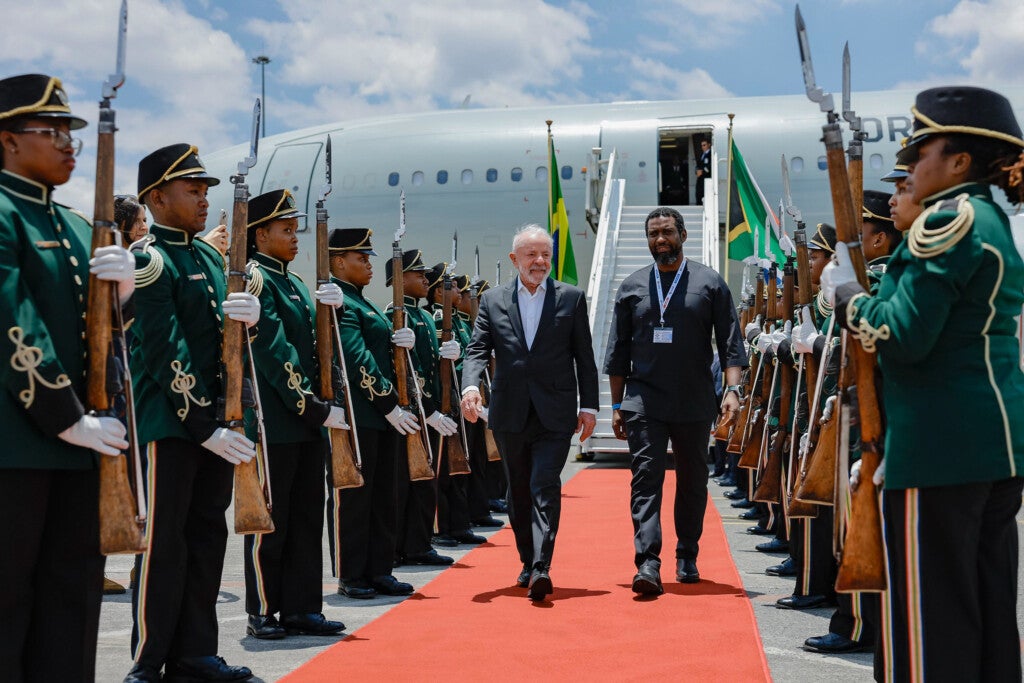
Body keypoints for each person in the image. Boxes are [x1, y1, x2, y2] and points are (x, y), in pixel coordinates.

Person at [830, 86, 1024, 681]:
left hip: (938, 450)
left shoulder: (948, 220)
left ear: (960, 161)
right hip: (990, 446)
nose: (909, 166)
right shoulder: (986, 218)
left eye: (919, 151)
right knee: (986, 617)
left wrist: (850, 301)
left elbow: (904, 336)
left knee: (929, 623)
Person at [0, 72, 133, 683]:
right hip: (18, 443)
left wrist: (125, 294)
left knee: (73, 592)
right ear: (7, 140)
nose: (67, 143)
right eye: (49, 131)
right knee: (8, 596)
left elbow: (102, 336)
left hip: (84, 444)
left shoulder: (81, 229)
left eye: (70, 132)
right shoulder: (5, 215)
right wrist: (65, 415)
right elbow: (12, 322)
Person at [126, 143, 261, 683]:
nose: (205, 198)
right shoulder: (148, 260)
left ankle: (195, 653)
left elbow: (230, 348)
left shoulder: (210, 258)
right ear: (157, 198)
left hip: (218, 428)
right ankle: (147, 659)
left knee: (206, 538)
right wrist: (204, 425)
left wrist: (253, 320)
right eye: (192, 190)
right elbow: (165, 351)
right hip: (173, 426)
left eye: (207, 190)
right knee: (163, 544)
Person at [604, 207, 745, 595]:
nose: (660, 240)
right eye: (653, 234)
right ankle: (648, 562)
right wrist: (617, 406)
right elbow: (617, 353)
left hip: (694, 399)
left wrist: (732, 390)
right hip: (644, 400)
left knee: (693, 480)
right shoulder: (632, 286)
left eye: (667, 232)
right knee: (645, 480)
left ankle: (688, 553)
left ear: (683, 234)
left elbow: (731, 343)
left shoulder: (709, 283)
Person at [461, 224, 599, 601]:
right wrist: (471, 387)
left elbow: (584, 359)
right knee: (517, 492)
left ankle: (542, 567)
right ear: (514, 260)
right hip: (510, 412)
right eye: (531, 255)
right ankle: (527, 559)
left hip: (555, 413)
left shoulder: (571, 298)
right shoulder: (492, 300)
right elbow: (476, 351)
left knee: (544, 485)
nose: (539, 262)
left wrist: (589, 406)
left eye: (545, 255)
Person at [241, 189, 346, 640]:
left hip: (306, 424)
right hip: (276, 421)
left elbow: (315, 349)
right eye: (286, 229)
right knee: (271, 521)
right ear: (260, 233)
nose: (295, 236)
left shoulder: (296, 283)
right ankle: (263, 608)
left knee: (305, 519)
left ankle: (303, 607)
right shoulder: (256, 279)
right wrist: (312, 406)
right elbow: (273, 352)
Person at [325, 228, 415, 600]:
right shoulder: (341, 301)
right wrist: (388, 403)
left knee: (382, 497)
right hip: (361, 415)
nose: (368, 264)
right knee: (356, 499)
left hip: (379, 417)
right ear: (338, 262)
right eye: (360, 258)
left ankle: (379, 569)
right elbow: (355, 358)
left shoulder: (362, 301)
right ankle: (352, 574)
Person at [387, 249, 459, 568]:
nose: (425, 280)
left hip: (429, 408)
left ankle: (419, 541)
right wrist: (428, 410)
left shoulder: (426, 317)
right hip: (412, 411)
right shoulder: (396, 314)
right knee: (405, 484)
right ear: (399, 280)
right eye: (418, 275)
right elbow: (408, 369)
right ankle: (404, 545)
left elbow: (430, 369)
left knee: (424, 480)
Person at [695, 139, 712, 204]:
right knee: (698, 194)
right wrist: (696, 171)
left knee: (705, 194)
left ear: (709, 145)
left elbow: (710, 166)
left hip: (707, 178)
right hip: (700, 178)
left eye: (704, 145)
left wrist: (702, 171)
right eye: (702, 145)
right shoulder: (701, 155)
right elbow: (697, 165)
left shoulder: (710, 154)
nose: (703, 147)